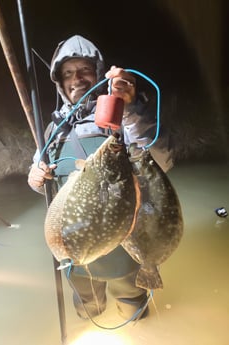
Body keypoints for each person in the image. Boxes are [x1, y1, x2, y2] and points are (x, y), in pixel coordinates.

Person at [28, 35, 173, 321]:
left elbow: (161, 160)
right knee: (88, 310)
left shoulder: (121, 117)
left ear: (98, 73)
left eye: (84, 70)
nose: (77, 79)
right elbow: (40, 179)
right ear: (59, 80)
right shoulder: (53, 129)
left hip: (124, 246)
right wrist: (34, 178)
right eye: (68, 73)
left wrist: (129, 108)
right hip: (74, 247)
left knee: (133, 311)